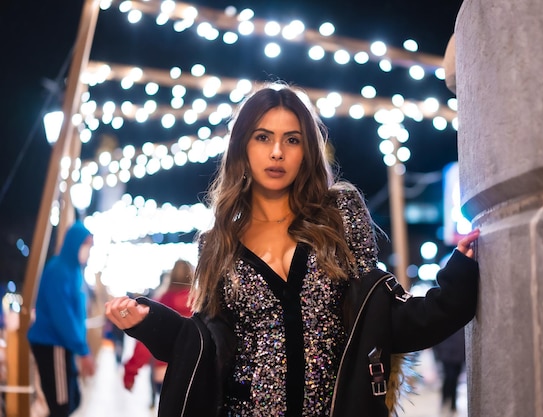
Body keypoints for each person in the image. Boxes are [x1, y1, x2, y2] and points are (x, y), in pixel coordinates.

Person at [105, 83, 480, 417]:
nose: (277, 152)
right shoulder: (217, 242)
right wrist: (147, 322)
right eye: (263, 137)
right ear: (242, 148)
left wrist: (458, 276)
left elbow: (383, 317)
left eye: (292, 139)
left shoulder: (341, 214)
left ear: (306, 150)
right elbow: (206, 347)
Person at [28, 221, 96, 417]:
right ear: (75, 244)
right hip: (52, 343)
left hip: (61, 344)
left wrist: (81, 347)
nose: (88, 251)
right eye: (86, 245)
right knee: (62, 404)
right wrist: (83, 351)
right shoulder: (59, 270)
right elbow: (63, 316)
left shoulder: (74, 271)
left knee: (71, 400)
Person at [122, 259, 194, 407]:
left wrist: (131, 372)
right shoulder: (200, 302)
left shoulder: (160, 301)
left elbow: (146, 340)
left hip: (163, 373)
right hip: (194, 373)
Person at [433, 327, 466, 417]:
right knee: (449, 377)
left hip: (458, 355)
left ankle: (452, 405)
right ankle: (445, 401)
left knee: (454, 379)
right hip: (447, 354)